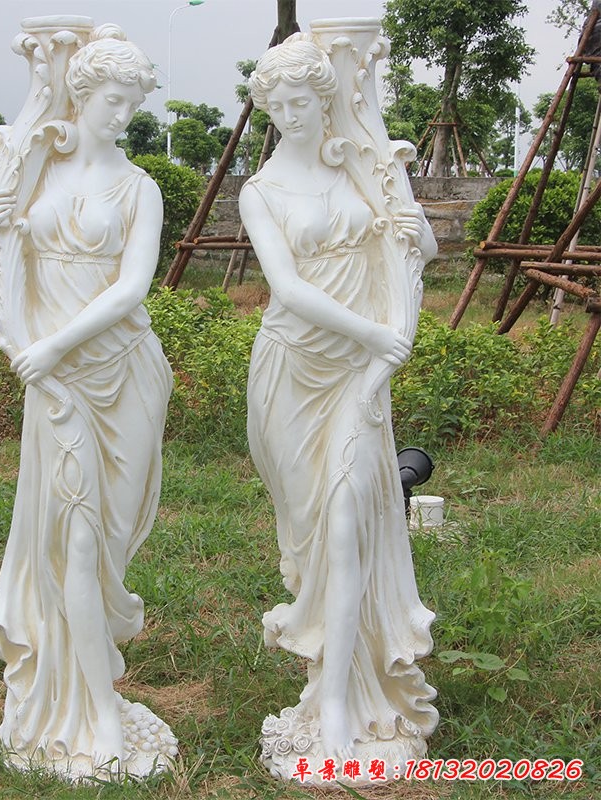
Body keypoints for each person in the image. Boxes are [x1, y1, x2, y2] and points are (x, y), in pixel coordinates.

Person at [0, 24, 174, 778]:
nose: (122, 115)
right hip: (56, 388)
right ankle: (95, 712)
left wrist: (53, 344)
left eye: (133, 104)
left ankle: (96, 691)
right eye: (112, 100)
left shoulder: (140, 187)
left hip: (124, 371)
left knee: (107, 544)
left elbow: (132, 287)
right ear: (81, 95)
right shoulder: (38, 170)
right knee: (75, 541)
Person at [239, 34, 439, 769]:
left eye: (302, 101)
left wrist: (421, 234)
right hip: (293, 372)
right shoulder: (258, 191)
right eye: (278, 106)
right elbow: (288, 289)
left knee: (351, 517)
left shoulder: (362, 167)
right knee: (314, 536)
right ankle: (327, 675)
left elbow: (412, 253)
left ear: (325, 99)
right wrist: (378, 335)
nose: (292, 115)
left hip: (360, 375)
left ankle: (339, 705)